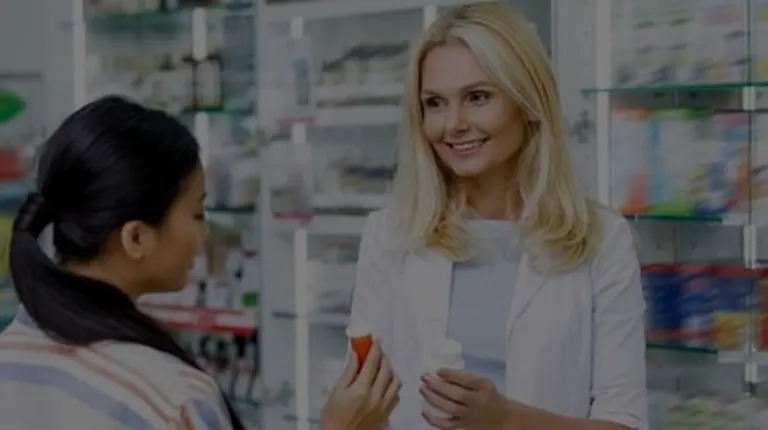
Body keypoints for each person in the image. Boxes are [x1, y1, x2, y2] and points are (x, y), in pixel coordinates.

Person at [0, 96, 398, 430]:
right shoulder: (171, 398)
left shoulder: (12, 351)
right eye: (196, 213)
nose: (204, 234)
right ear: (136, 238)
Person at [347, 3, 648, 430]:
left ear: (528, 102)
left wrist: (504, 418)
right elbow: (363, 409)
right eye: (435, 103)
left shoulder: (600, 239)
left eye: (478, 97)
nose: (453, 124)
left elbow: (624, 422)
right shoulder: (390, 234)